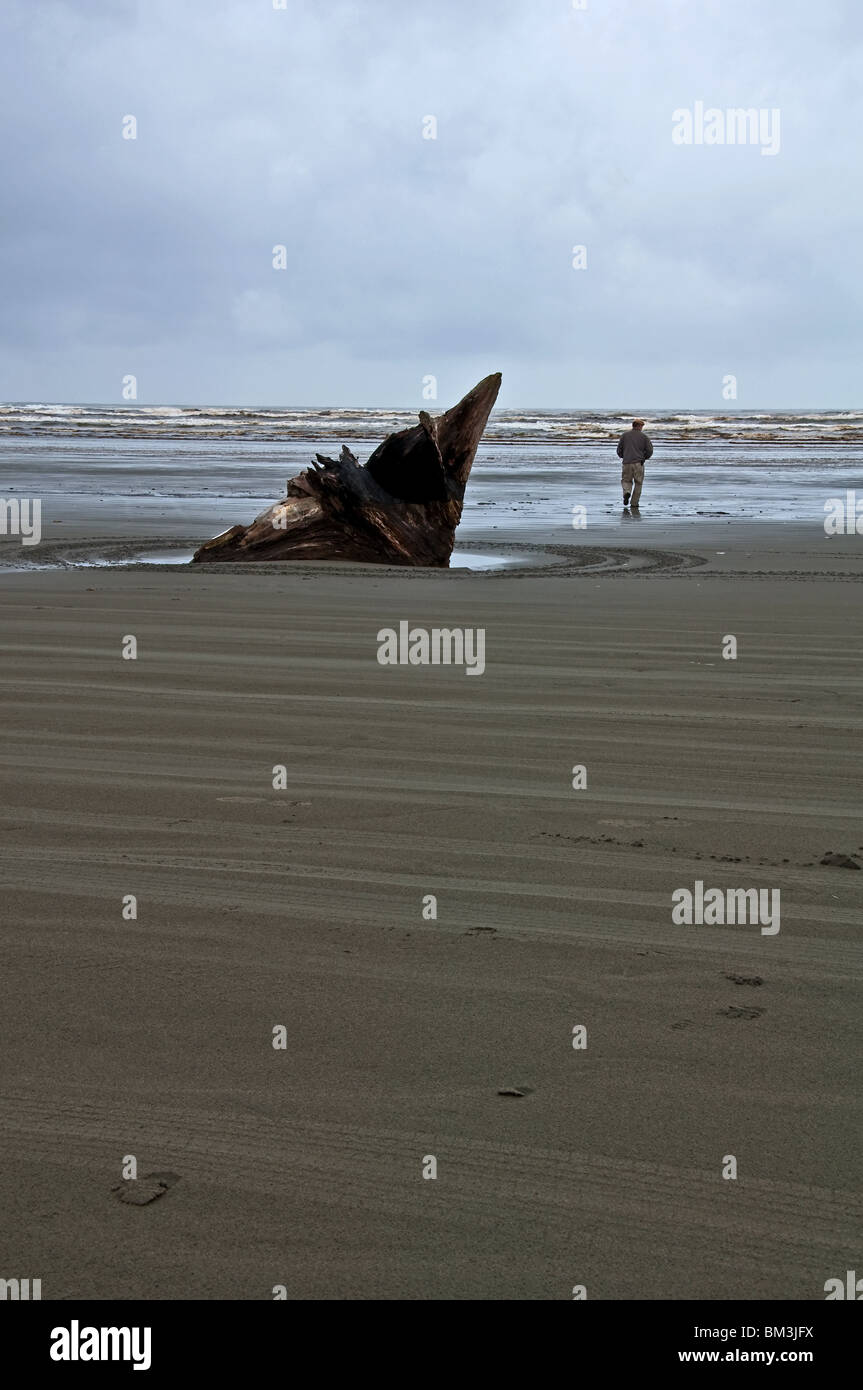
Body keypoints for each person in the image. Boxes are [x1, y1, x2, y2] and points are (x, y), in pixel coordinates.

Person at [616, 418, 653, 508]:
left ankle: (627, 492)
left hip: (627, 462)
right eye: (642, 426)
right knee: (638, 483)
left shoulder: (624, 435)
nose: (642, 428)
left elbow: (619, 449)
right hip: (638, 463)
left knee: (626, 480)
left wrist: (623, 456)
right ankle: (634, 503)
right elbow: (649, 450)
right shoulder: (644, 437)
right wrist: (645, 458)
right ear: (639, 426)